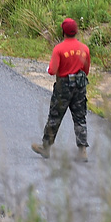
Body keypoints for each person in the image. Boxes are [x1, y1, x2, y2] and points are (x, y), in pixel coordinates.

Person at [32, 18, 91, 161]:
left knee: (55, 117)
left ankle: (46, 147)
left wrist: (50, 69)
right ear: (76, 31)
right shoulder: (84, 49)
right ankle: (82, 150)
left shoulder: (59, 49)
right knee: (80, 118)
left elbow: (52, 70)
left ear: (63, 32)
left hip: (63, 86)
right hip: (79, 85)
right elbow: (86, 70)